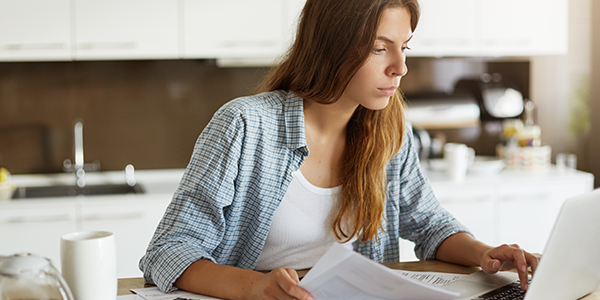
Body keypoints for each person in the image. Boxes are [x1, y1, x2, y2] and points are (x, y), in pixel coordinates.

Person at [140, 0, 540, 299]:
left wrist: (486, 253)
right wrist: (256, 288)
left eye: (405, 47)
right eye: (379, 48)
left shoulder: (390, 127)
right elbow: (169, 251)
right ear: (332, 47)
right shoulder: (244, 125)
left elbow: (428, 223)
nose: (400, 67)